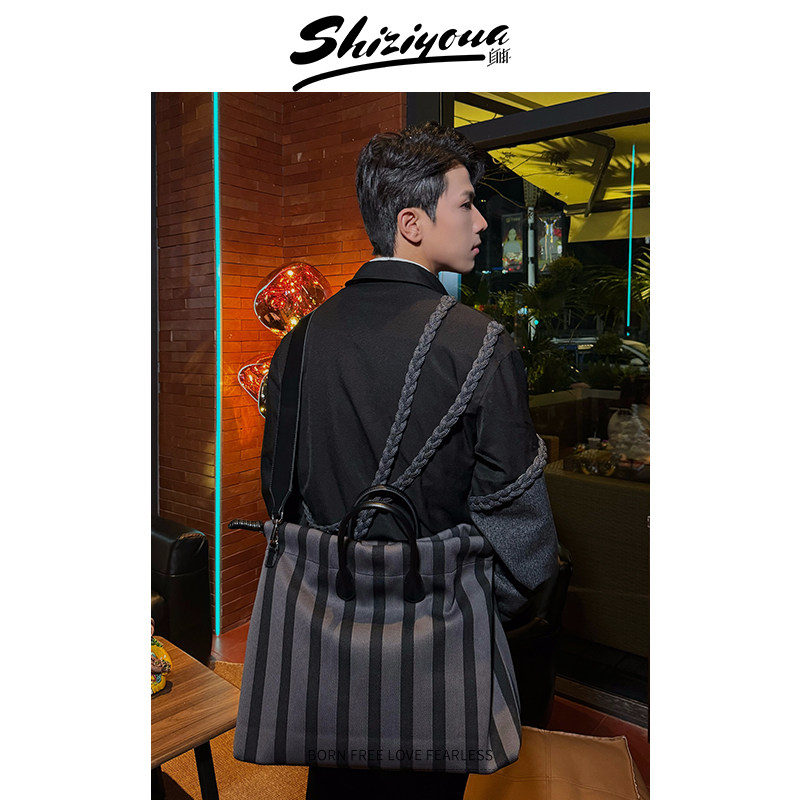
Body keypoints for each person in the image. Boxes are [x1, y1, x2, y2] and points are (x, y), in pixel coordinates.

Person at [260, 121, 559, 800]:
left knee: (334, 782)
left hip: (328, 636)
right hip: (438, 645)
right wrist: (470, 603)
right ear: (411, 223)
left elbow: (278, 495)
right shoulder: (482, 344)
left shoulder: (297, 345)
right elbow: (525, 537)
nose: (481, 222)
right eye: (466, 203)